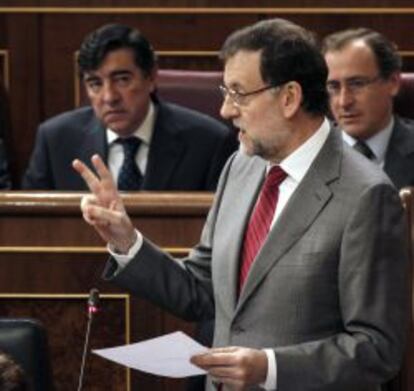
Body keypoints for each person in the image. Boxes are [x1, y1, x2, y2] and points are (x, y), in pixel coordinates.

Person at [73, 18, 409, 391]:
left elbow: (377, 348)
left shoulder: (367, 196)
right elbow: (202, 289)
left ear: (289, 98)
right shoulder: (241, 165)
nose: (225, 110)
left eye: (238, 93)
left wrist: (270, 367)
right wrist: (127, 241)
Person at [22, 23, 238, 191]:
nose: (109, 97)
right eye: (95, 84)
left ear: (151, 77)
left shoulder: (209, 142)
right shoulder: (55, 140)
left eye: (122, 80)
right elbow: (30, 226)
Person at [322, 27, 414, 189]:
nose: (344, 102)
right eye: (334, 87)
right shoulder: (308, 152)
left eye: (357, 84)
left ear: (393, 82)